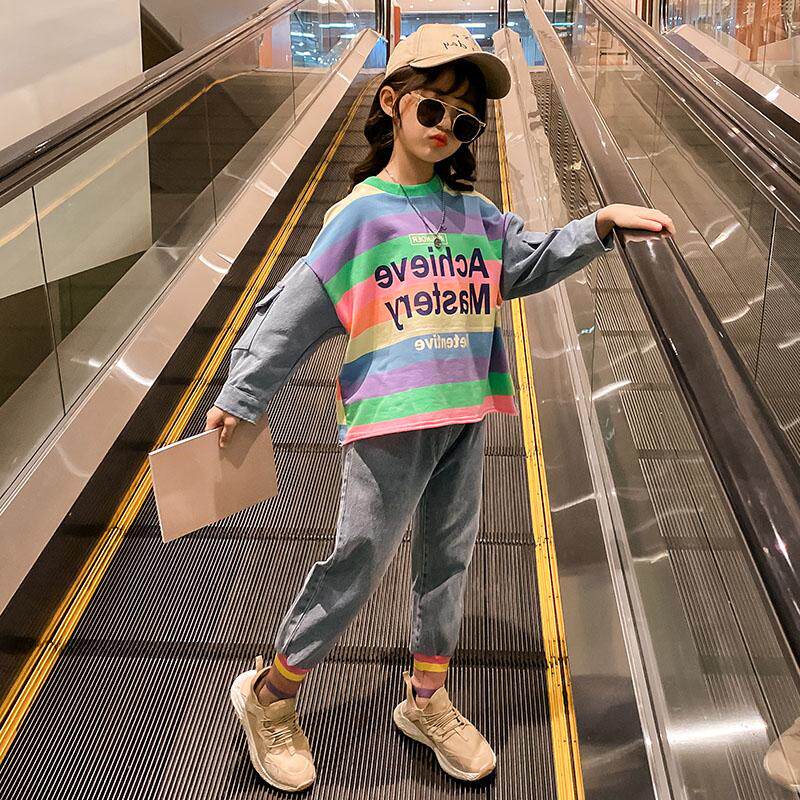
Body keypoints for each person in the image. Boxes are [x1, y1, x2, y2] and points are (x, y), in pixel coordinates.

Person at [206, 23, 675, 793]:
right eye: (433, 109)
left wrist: (597, 227)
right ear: (392, 102)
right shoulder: (361, 216)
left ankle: (426, 700)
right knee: (360, 562)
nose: (446, 129)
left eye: (464, 121)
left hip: (463, 415)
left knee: (448, 562)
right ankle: (271, 694)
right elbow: (293, 309)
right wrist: (244, 393)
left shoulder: (475, 213)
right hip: (389, 424)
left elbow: (525, 262)